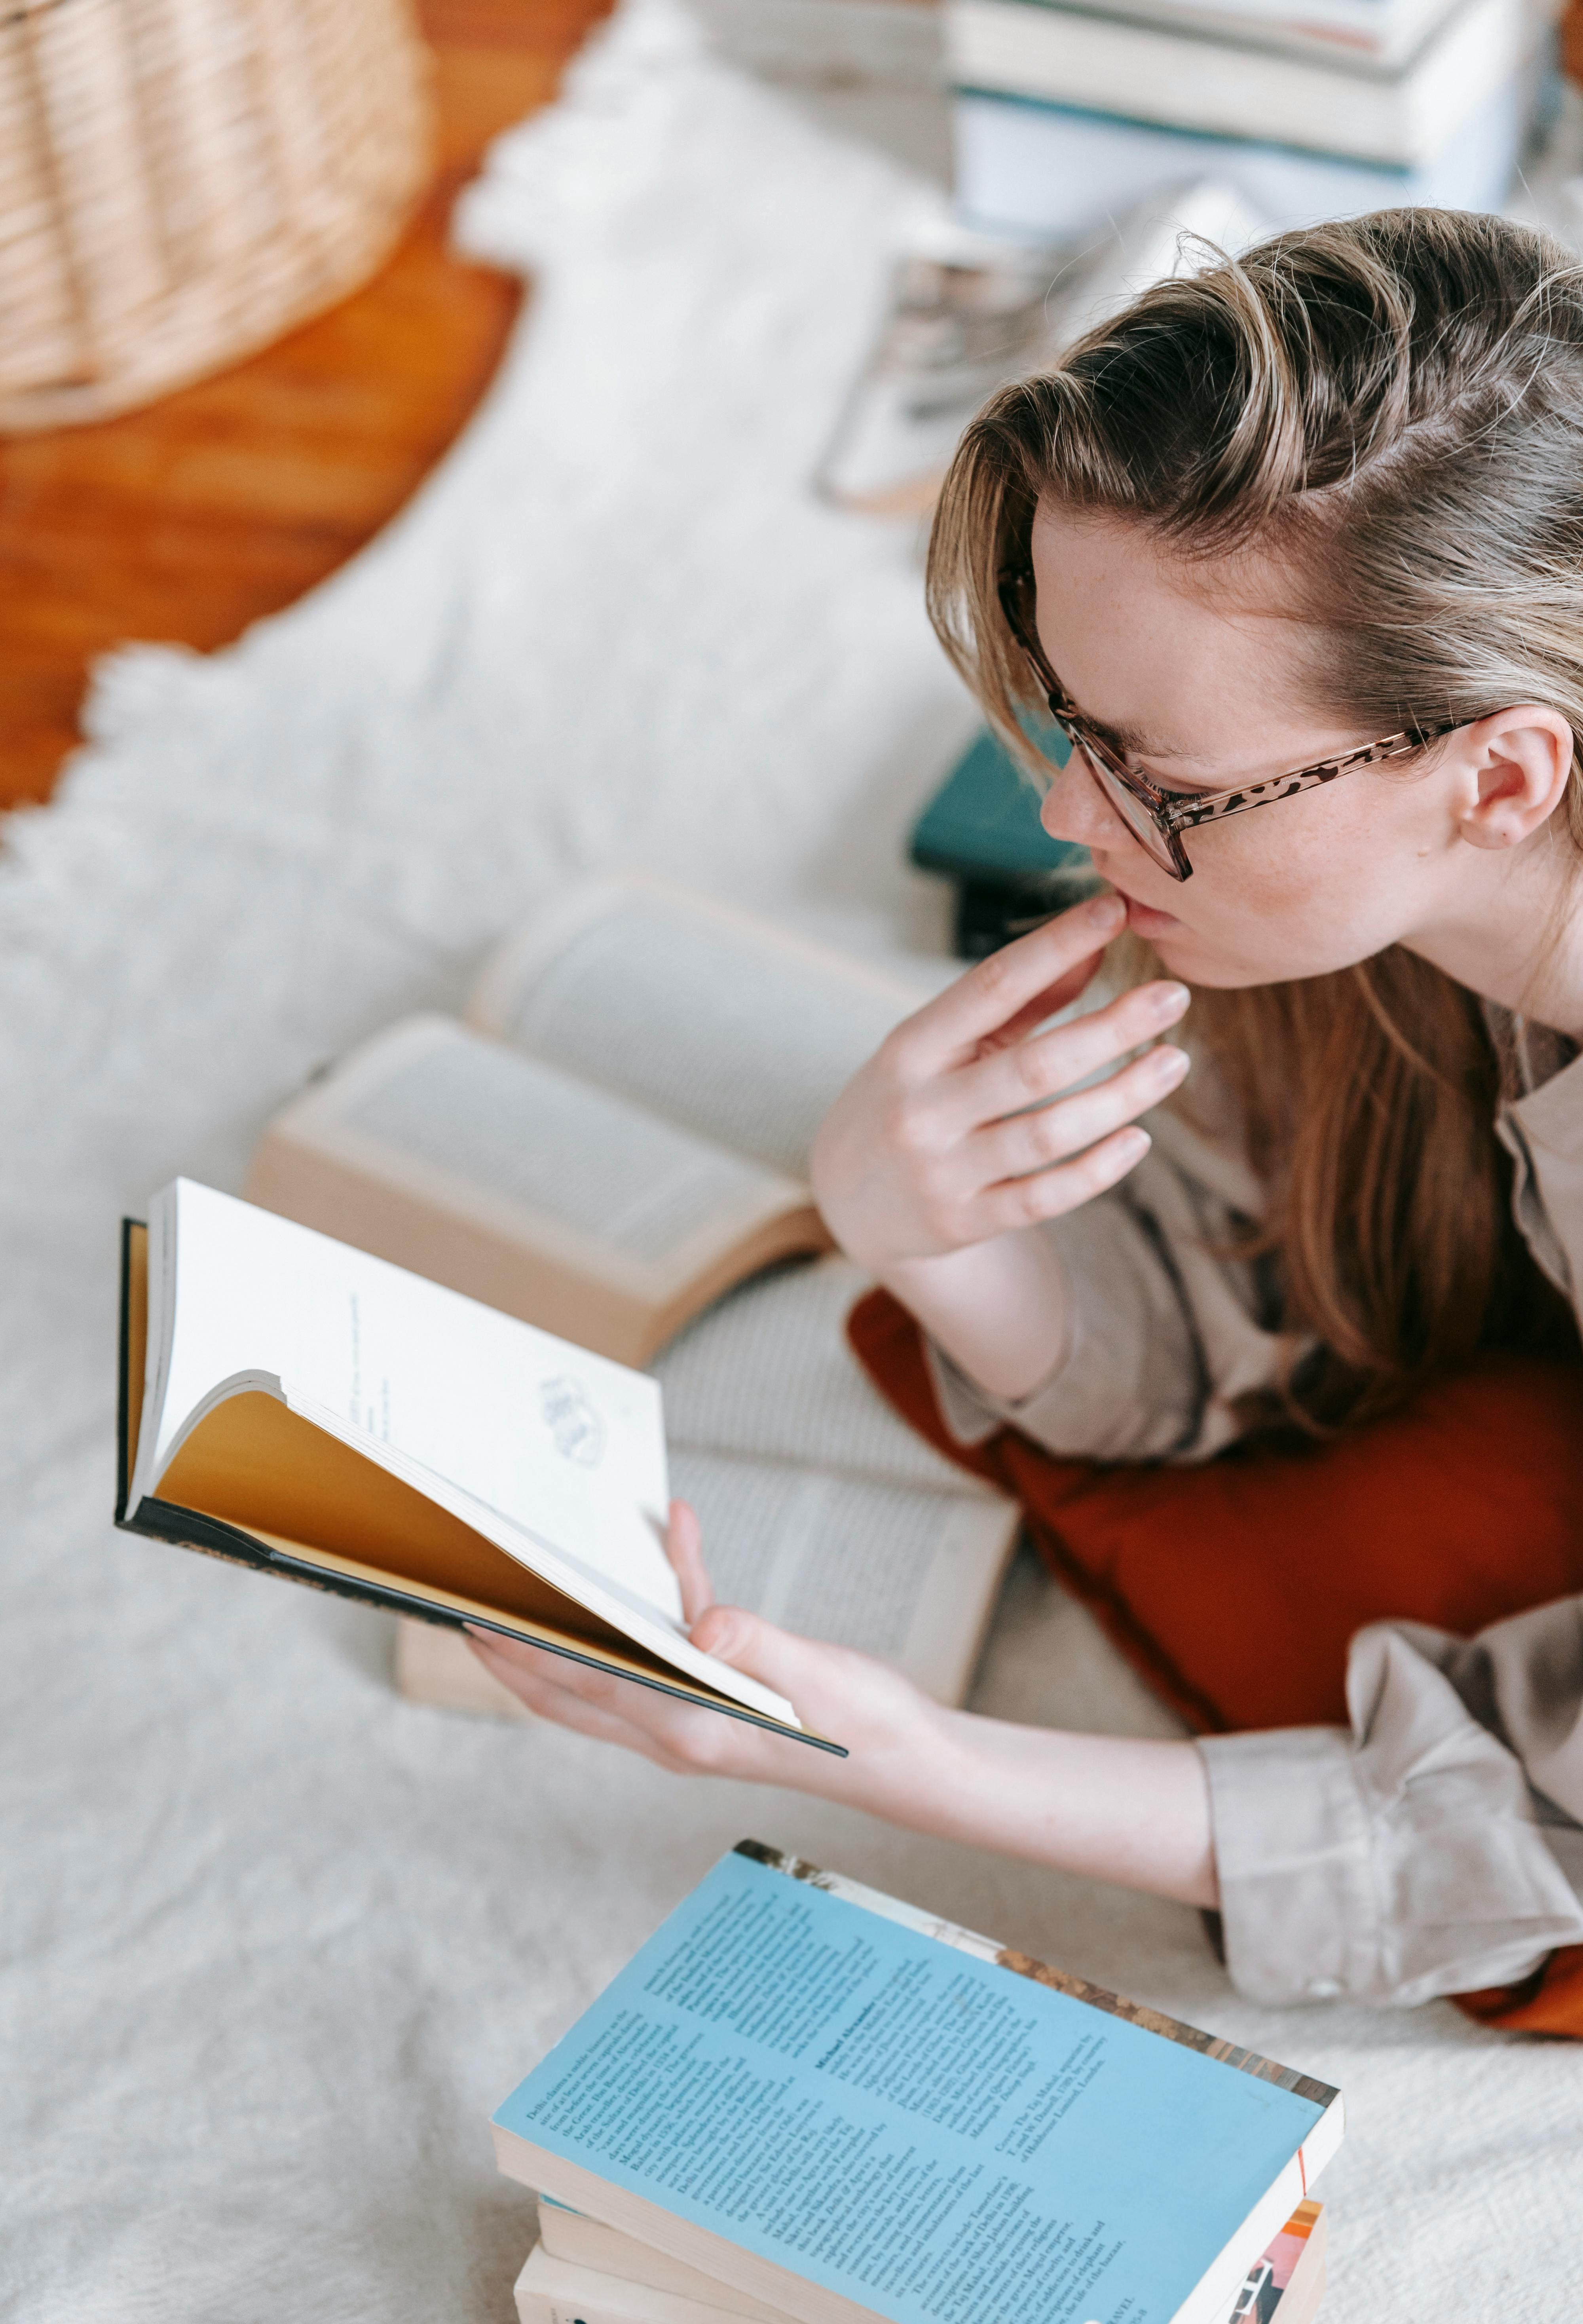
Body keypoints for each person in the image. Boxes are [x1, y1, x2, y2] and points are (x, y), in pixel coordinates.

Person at [470, 209, 1583, 2011]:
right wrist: (924, 1228)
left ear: (1501, 774)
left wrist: (918, 1760)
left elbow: (1530, 1829)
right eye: (1072, 724)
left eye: (1167, 778)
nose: (1071, 824)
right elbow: (1224, 1290)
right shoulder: (1363, 918)